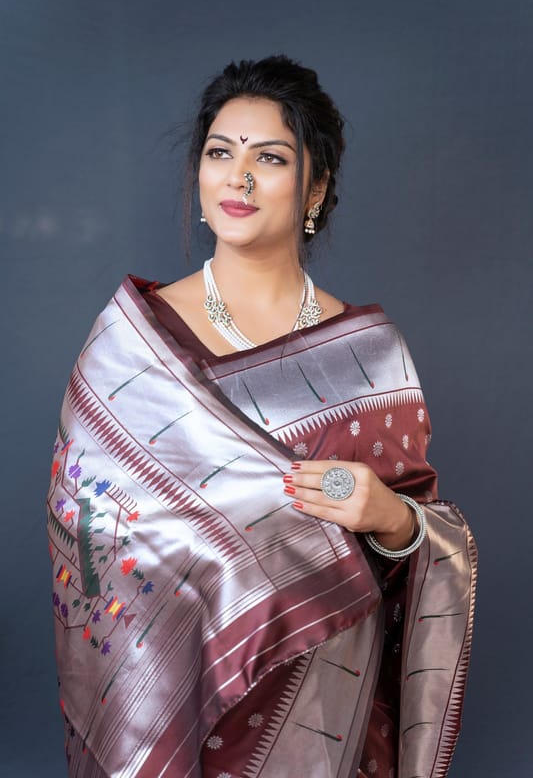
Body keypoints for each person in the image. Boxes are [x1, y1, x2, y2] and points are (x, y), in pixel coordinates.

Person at [47, 56, 477, 778]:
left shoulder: (371, 358)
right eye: (221, 153)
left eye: (269, 158)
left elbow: (426, 546)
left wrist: (389, 519)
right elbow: (86, 526)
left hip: (320, 718)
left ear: (316, 186)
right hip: (173, 704)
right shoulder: (131, 344)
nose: (238, 178)